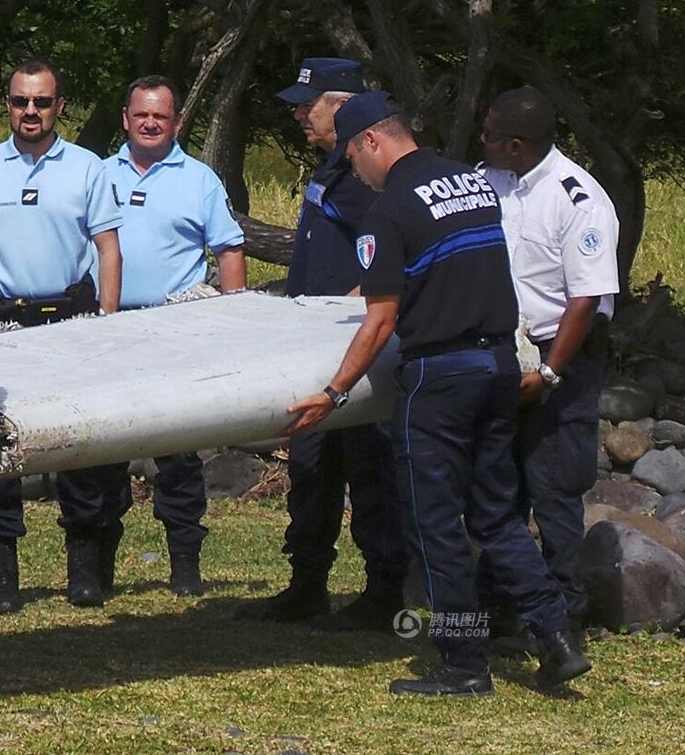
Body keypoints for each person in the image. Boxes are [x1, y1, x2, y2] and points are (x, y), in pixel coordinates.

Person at [285, 91, 591, 696]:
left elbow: (378, 321)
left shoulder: (390, 208)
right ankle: (556, 639)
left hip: (438, 378)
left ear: (371, 141)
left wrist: (333, 391)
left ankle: (463, 663)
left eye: (353, 159)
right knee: (498, 515)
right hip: (499, 366)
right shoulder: (472, 182)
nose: (357, 176)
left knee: (435, 526)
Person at [234, 58, 409, 630]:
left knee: (369, 471)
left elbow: (388, 259)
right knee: (311, 473)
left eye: (309, 105)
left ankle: (383, 592)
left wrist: (348, 311)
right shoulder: (334, 168)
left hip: (351, 350)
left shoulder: (366, 176)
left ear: (345, 105)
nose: (298, 115)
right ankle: (307, 582)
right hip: (311, 351)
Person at [0, 60, 126, 613]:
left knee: (77, 446)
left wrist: (107, 318)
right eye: (19, 102)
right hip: (3, 319)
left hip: (72, 317)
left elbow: (108, 247)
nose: (29, 112)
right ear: (7, 104)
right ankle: (5, 579)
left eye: (41, 102)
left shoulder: (88, 168)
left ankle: (82, 572)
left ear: (60, 106)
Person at [478, 87, 619, 642]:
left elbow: (585, 301)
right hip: (501, 351)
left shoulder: (577, 198)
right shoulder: (491, 182)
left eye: (488, 134)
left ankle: (565, 616)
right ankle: (498, 603)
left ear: (516, 144)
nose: (480, 142)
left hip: (560, 356)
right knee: (498, 483)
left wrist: (550, 373)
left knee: (554, 490)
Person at [102, 73, 246, 596]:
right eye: (140, 114)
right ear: (126, 117)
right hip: (110, 329)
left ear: (177, 121)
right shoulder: (98, 174)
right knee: (103, 450)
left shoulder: (200, 180)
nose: (149, 123)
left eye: (160, 116)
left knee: (179, 458)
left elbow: (229, 250)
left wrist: (231, 322)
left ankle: (185, 563)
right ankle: (97, 568)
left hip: (174, 330)